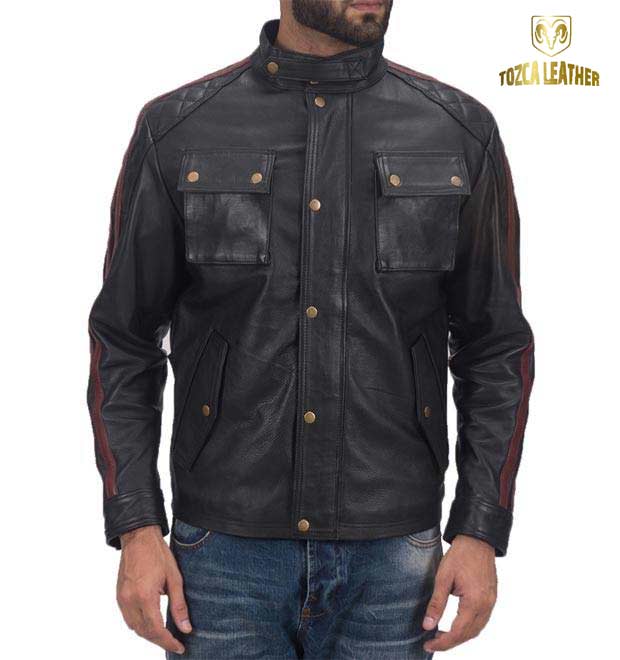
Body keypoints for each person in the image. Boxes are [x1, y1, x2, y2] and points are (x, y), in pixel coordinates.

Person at [87, 1, 535, 657]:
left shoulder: (458, 130)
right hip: (220, 555)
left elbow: (495, 347)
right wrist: (136, 526)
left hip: (397, 559)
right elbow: (123, 342)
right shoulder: (179, 127)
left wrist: (479, 528)